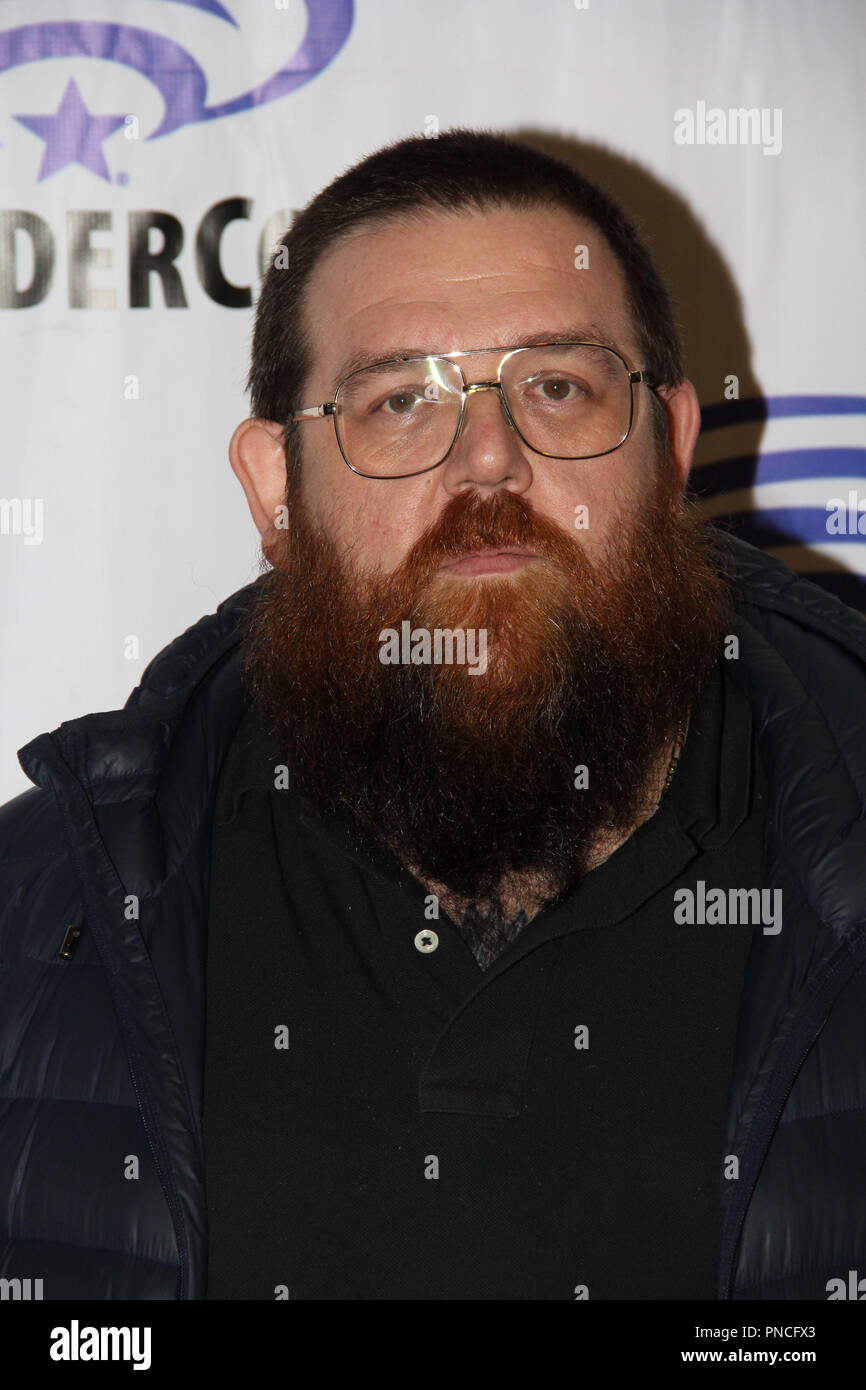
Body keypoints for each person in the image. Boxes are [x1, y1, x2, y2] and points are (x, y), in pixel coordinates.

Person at [2, 130, 865, 1303]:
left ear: (666, 446)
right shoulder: (37, 919)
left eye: (555, 386)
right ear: (275, 487)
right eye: (401, 398)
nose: (488, 458)